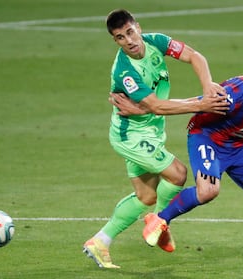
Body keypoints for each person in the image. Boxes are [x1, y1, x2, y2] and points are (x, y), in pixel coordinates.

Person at [82, 9, 229, 269]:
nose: (128, 40)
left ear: (138, 27)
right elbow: (157, 106)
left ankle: (100, 241)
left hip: (150, 131)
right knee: (178, 174)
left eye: (130, 32)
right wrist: (201, 104)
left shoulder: (156, 41)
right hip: (131, 136)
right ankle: (160, 222)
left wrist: (207, 87)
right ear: (115, 41)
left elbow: (194, 56)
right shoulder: (125, 71)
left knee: (145, 196)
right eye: (120, 37)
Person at [117, 63, 243, 270]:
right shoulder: (238, 94)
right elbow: (194, 103)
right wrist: (144, 108)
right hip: (207, 136)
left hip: (240, 143)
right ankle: (159, 218)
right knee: (208, 191)